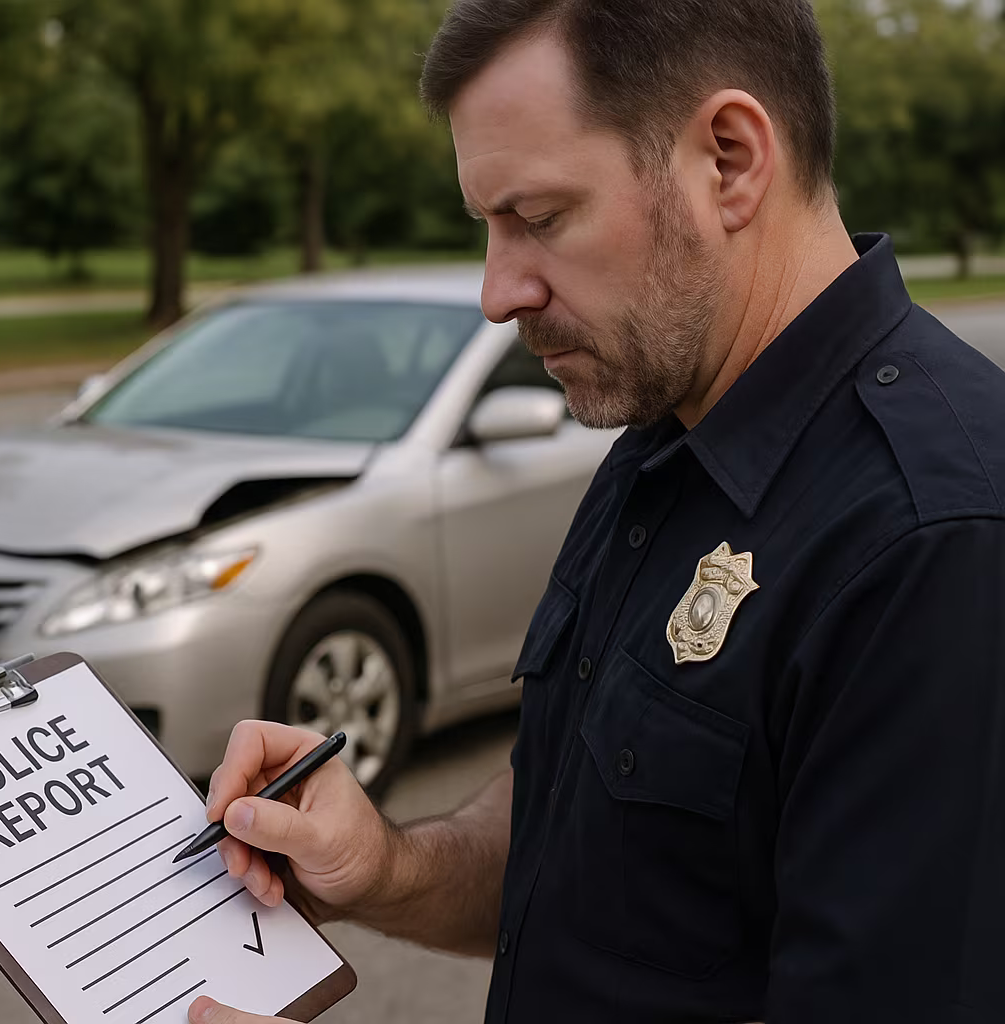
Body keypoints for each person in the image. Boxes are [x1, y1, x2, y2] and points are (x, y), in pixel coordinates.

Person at [188, 1, 1005, 1022]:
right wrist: (384, 865)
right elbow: (581, 832)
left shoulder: (939, 541)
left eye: (538, 217)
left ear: (729, 160)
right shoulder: (665, 434)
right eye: (486, 227)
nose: (496, 292)